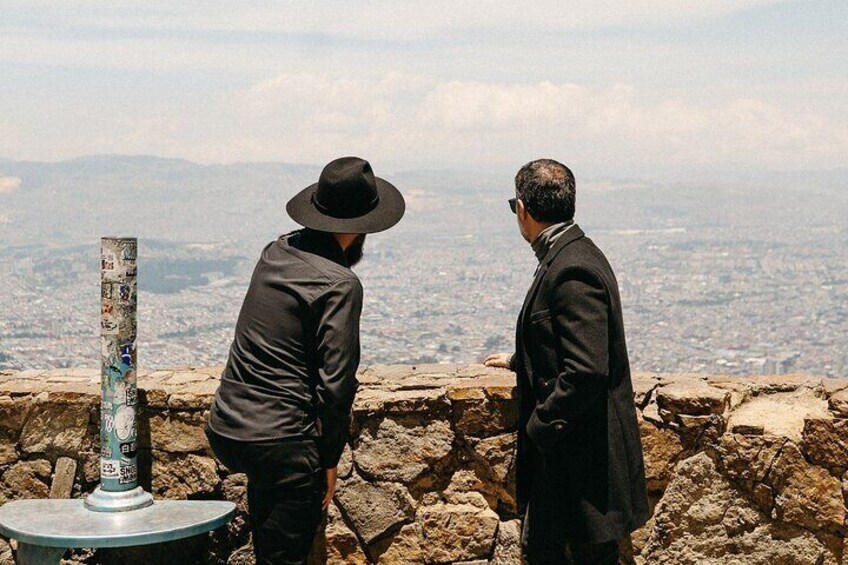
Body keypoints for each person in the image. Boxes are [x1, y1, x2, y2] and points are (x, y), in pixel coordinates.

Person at [205, 156, 405, 565]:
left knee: (272, 546)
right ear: (362, 225)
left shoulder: (275, 251)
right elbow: (337, 384)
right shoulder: (340, 283)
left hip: (228, 425)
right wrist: (329, 460)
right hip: (281, 440)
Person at [485, 159, 649, 565]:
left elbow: (586, 368)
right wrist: (518, 360)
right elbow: (562, 341)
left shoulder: (572, 267)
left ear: (522, 209)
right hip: (574, 469)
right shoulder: (569, 253)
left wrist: (539, 425)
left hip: (581, 472)